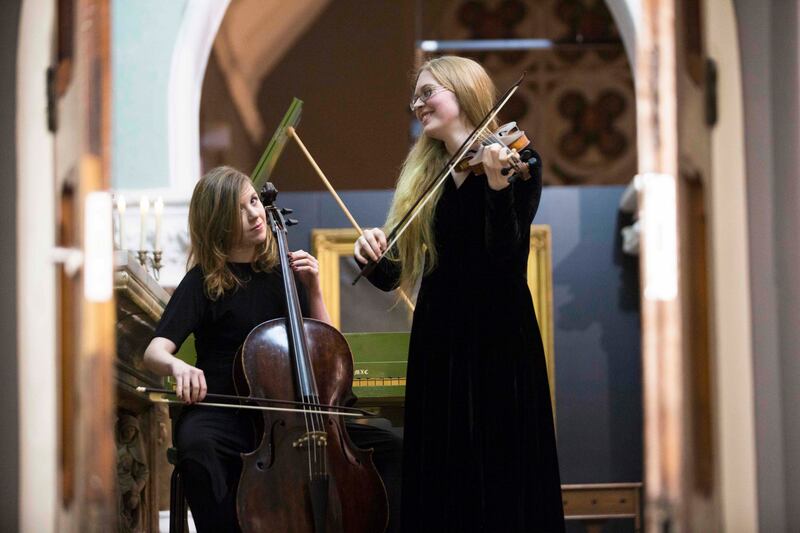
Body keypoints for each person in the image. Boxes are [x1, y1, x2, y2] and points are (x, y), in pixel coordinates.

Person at [354, 56, 565, 532]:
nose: (417, 104)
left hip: (498, 332)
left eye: (427, 93)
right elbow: (392, 275)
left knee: (499, 459)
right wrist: (368, 251)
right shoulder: (426, 178)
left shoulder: (518, 160)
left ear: (463, 91)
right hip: (441, 333)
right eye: (416, 96)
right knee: (444, 463)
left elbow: (504, 257)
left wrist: (495, 185)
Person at [144, 166, 401, 533]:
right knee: (199, 451)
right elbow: (154, 351)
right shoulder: (203, 281)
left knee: (391, 447)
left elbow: (326, 348)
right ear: (217, 221)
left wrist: (313, 287)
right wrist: (178, 368)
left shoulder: (285, 271)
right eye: (240, 209)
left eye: (253, 201)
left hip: (294, 410)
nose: (255, 214)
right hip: (225, 410)